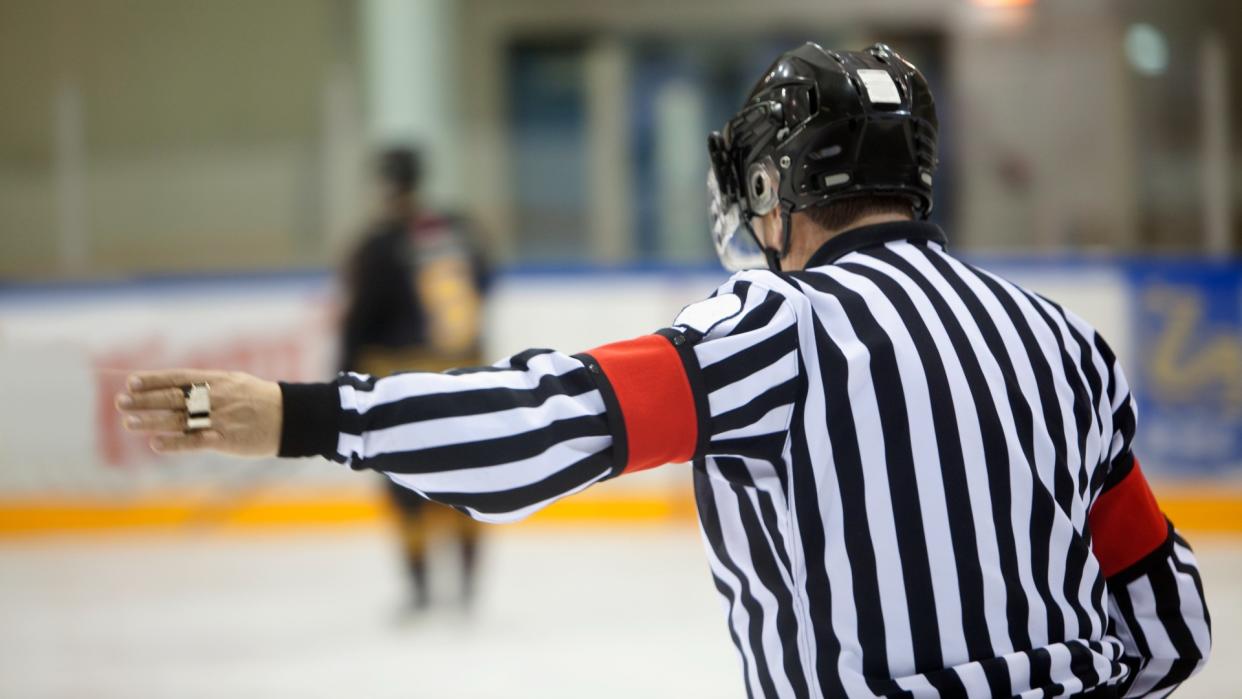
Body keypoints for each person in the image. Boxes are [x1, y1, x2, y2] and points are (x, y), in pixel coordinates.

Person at [116, 43, 1210, 698]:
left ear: (779, 183)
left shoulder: (776, 328)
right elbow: (1171, 624)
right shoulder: (1063, 342)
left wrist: (305, 415)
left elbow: (549, 423)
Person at [340, 146, 489, 614]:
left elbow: (359, 321)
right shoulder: (459, 229)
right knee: (468, 479)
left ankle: (421, 589)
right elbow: (485, 282)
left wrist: (339, 384)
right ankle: (466, 587)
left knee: (404, 484)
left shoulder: (376, 244)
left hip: (403, 378)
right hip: (465, 372)